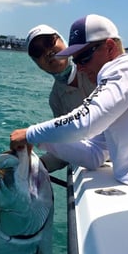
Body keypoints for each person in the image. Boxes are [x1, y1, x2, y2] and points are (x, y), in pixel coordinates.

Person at [10, 14, 128, 248]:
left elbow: (87, 121)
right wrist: (38, 152)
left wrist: (31, 134)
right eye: (77, 60)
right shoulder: (102, 86)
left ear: (109, 47)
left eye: (84, 57)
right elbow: (95, 152)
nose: (81, 67)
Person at [26, 24, 96, 172]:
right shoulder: (56, 99)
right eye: (38, 52)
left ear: (63, 40)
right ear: (37, 63)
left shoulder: (95, 66)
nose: (47, 52)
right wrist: (33, 167)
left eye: (49, 42)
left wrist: (31, 135)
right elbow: (66, 146)